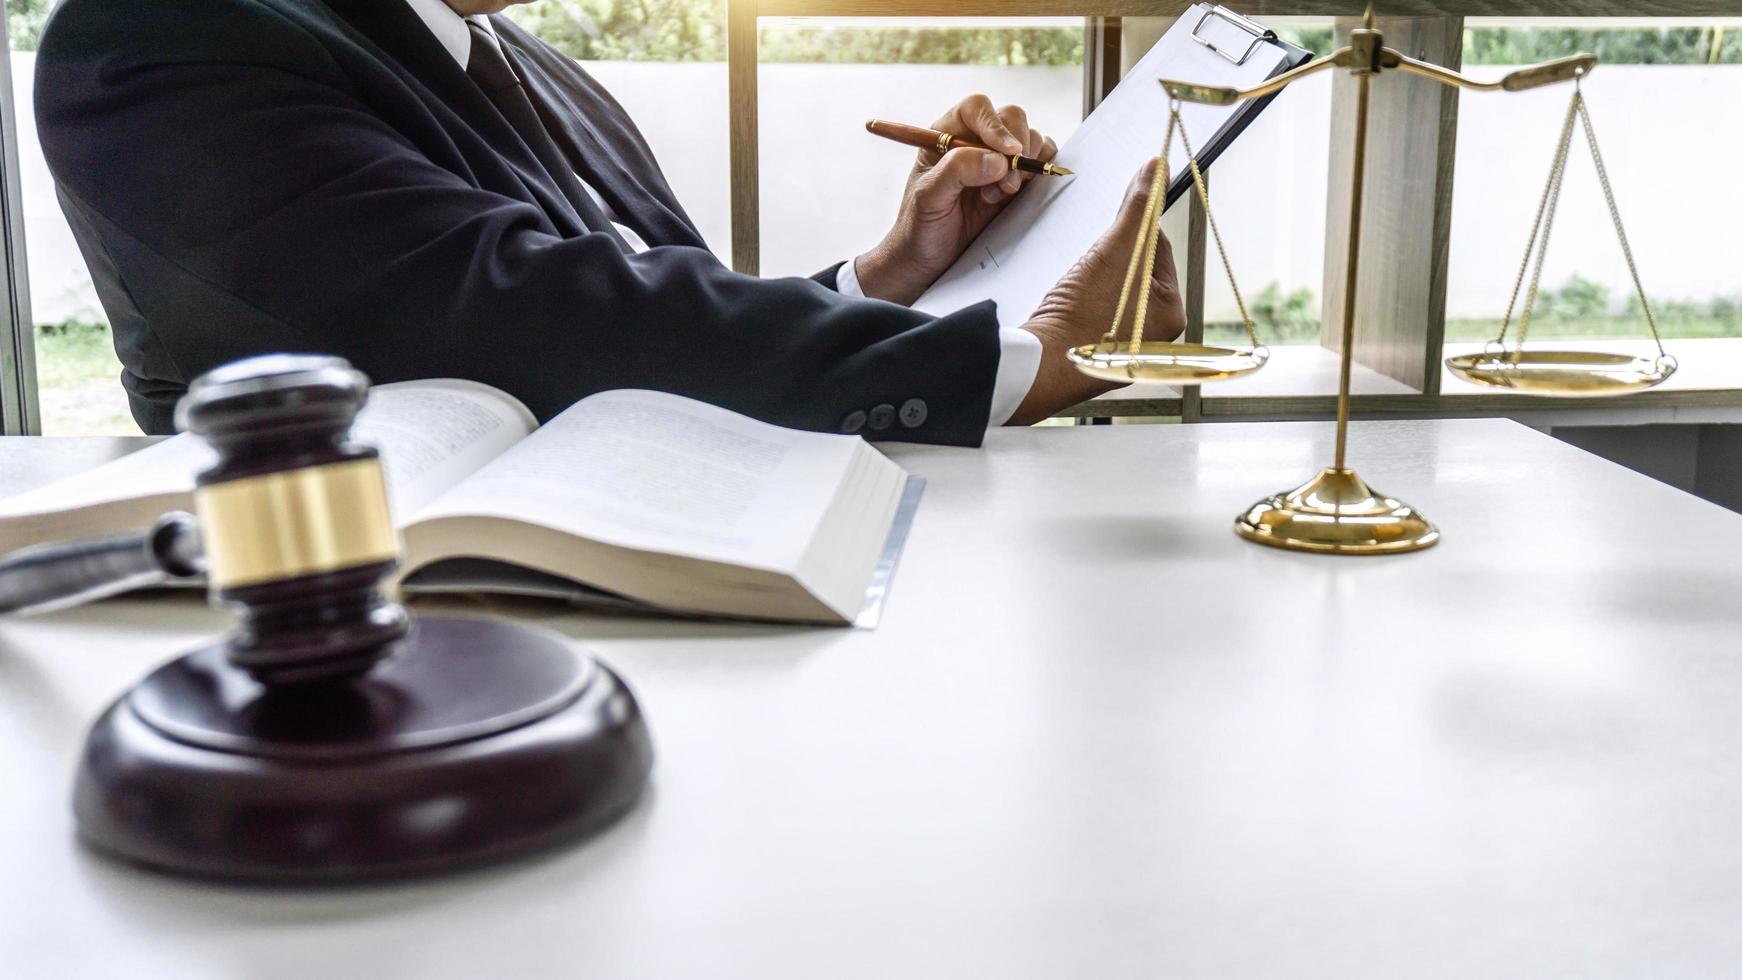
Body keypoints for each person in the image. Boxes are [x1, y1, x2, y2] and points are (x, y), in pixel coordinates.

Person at [35, 0, 1184, 443]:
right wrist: (1017, 360)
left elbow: (647, 299)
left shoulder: (528, 61)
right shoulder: (161, 28)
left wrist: (878, 277)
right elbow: (516, 313)